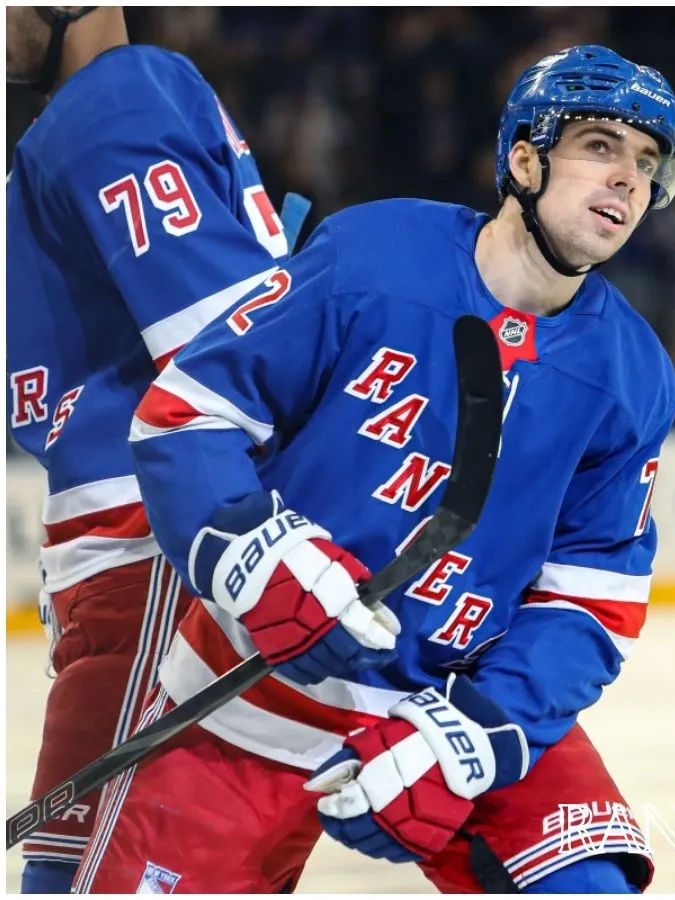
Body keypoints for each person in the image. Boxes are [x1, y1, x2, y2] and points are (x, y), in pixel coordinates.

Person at [73, 45, 675, 894]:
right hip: (251, 690)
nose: (628, 180)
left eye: (648, 162)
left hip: (448, 698)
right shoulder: (377, 253)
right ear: (524, 159)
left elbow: (593, 596)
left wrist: (482, 732)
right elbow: (190, 412)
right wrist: (252, 554)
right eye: (601, 147)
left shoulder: (633, 374)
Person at [6, 7, 290, 893]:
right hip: (134, 544)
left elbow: (224, 346)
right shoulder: (96, 111)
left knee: (98, 875)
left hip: (153, 541)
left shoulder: (112, 98)